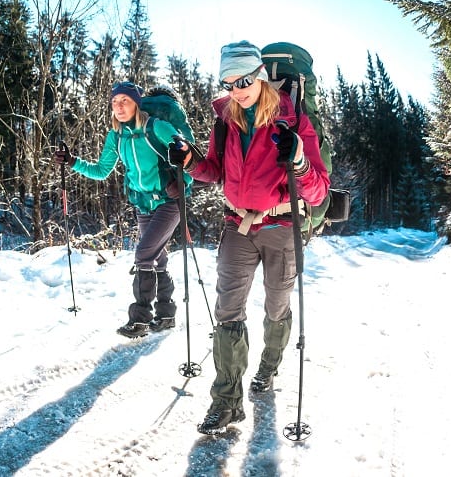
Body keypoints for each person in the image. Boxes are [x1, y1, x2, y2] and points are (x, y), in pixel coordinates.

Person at [168, 41, 330, 435]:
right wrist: (190, 161)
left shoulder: (292, 121)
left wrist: (300, 161)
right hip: (237, 225)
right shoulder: (227, 119)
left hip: (282, 226)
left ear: (259, 75)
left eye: (243, 80)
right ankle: (226, 402)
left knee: (276, 306)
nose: (236, 89)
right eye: (228, 82)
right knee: (228, 312)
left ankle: (269, 366)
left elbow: (319, 189)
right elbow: (215, 170)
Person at [54, 81, 193, 338]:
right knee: (157, 258)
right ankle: (166, 315)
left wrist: (183, 182)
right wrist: (73, 162)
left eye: (125, 101)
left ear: (136, 103)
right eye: (115, 102)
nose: (119, 106)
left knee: (143, 255)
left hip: (169, 202)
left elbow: (187, 156)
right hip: (142, 203)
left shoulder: (156, 127)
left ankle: (140, 320)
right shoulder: (115, 136)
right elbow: (101, 171)